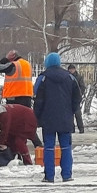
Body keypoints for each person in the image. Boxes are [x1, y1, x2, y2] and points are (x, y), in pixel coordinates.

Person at [33, 52, 82, 182]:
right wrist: (71, 110)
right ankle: (67, 175)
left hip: (48, 118)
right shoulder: (70, 77)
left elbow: (37, 99)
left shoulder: (43, 78)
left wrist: (36, 116)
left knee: (49, 147)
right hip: (65, 117)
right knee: (66, 146)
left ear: (47, 63)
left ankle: (49, 176)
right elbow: (77, 97)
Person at [0, 51, 43, 147]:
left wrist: (4, 59)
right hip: (26, 95)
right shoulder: (27, 64)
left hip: (14, 97)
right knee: (26, 122)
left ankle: (17, 145)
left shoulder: (13, 65)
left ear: (13, 57)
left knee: (13, 123)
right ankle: (36, 144)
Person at [68, 64, 86, 133]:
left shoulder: (79, 77)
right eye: (70, 69)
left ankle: (81, 128)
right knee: (70, 115)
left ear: (75, 69)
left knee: (78, 114)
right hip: (69, 98)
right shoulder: (67, 77)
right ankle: (72, 129)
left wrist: (79, 94)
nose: (71, 70)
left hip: (76, 98)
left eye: (72, 69)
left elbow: (82, 87)